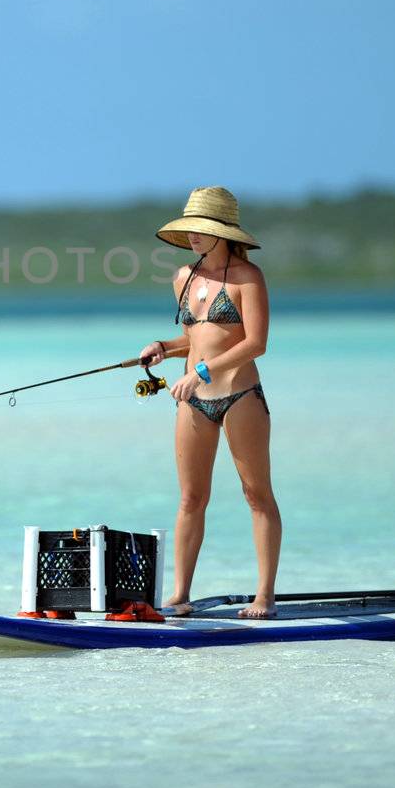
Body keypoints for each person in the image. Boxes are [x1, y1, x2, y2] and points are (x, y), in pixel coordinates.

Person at [137, 186, 278, 618]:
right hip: (192, 402)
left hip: (239, 396)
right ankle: (180, 594)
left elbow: (255, 343)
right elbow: (197, 338)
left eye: (200, 229)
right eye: (189, 229)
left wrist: (202, 372)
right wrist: (164, 345)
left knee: (256, 495)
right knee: (190, 499)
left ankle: (264, 597)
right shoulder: (184, 277)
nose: (193, 236)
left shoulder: (247, 278)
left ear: (222, 232)